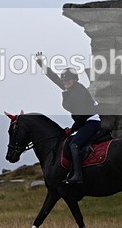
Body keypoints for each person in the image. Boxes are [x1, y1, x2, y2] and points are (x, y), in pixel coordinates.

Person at [35, 52, 100, 184]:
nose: (66, 82)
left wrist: (72, 129)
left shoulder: (78, 92)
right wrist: (42, 64)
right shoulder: (69, 88)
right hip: (83, 122)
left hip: (91, 121)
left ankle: (78, 175)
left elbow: (82, 115)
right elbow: (54, 78)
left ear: (75, 80)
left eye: (68, 80)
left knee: (74, 144)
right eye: (64, 80)